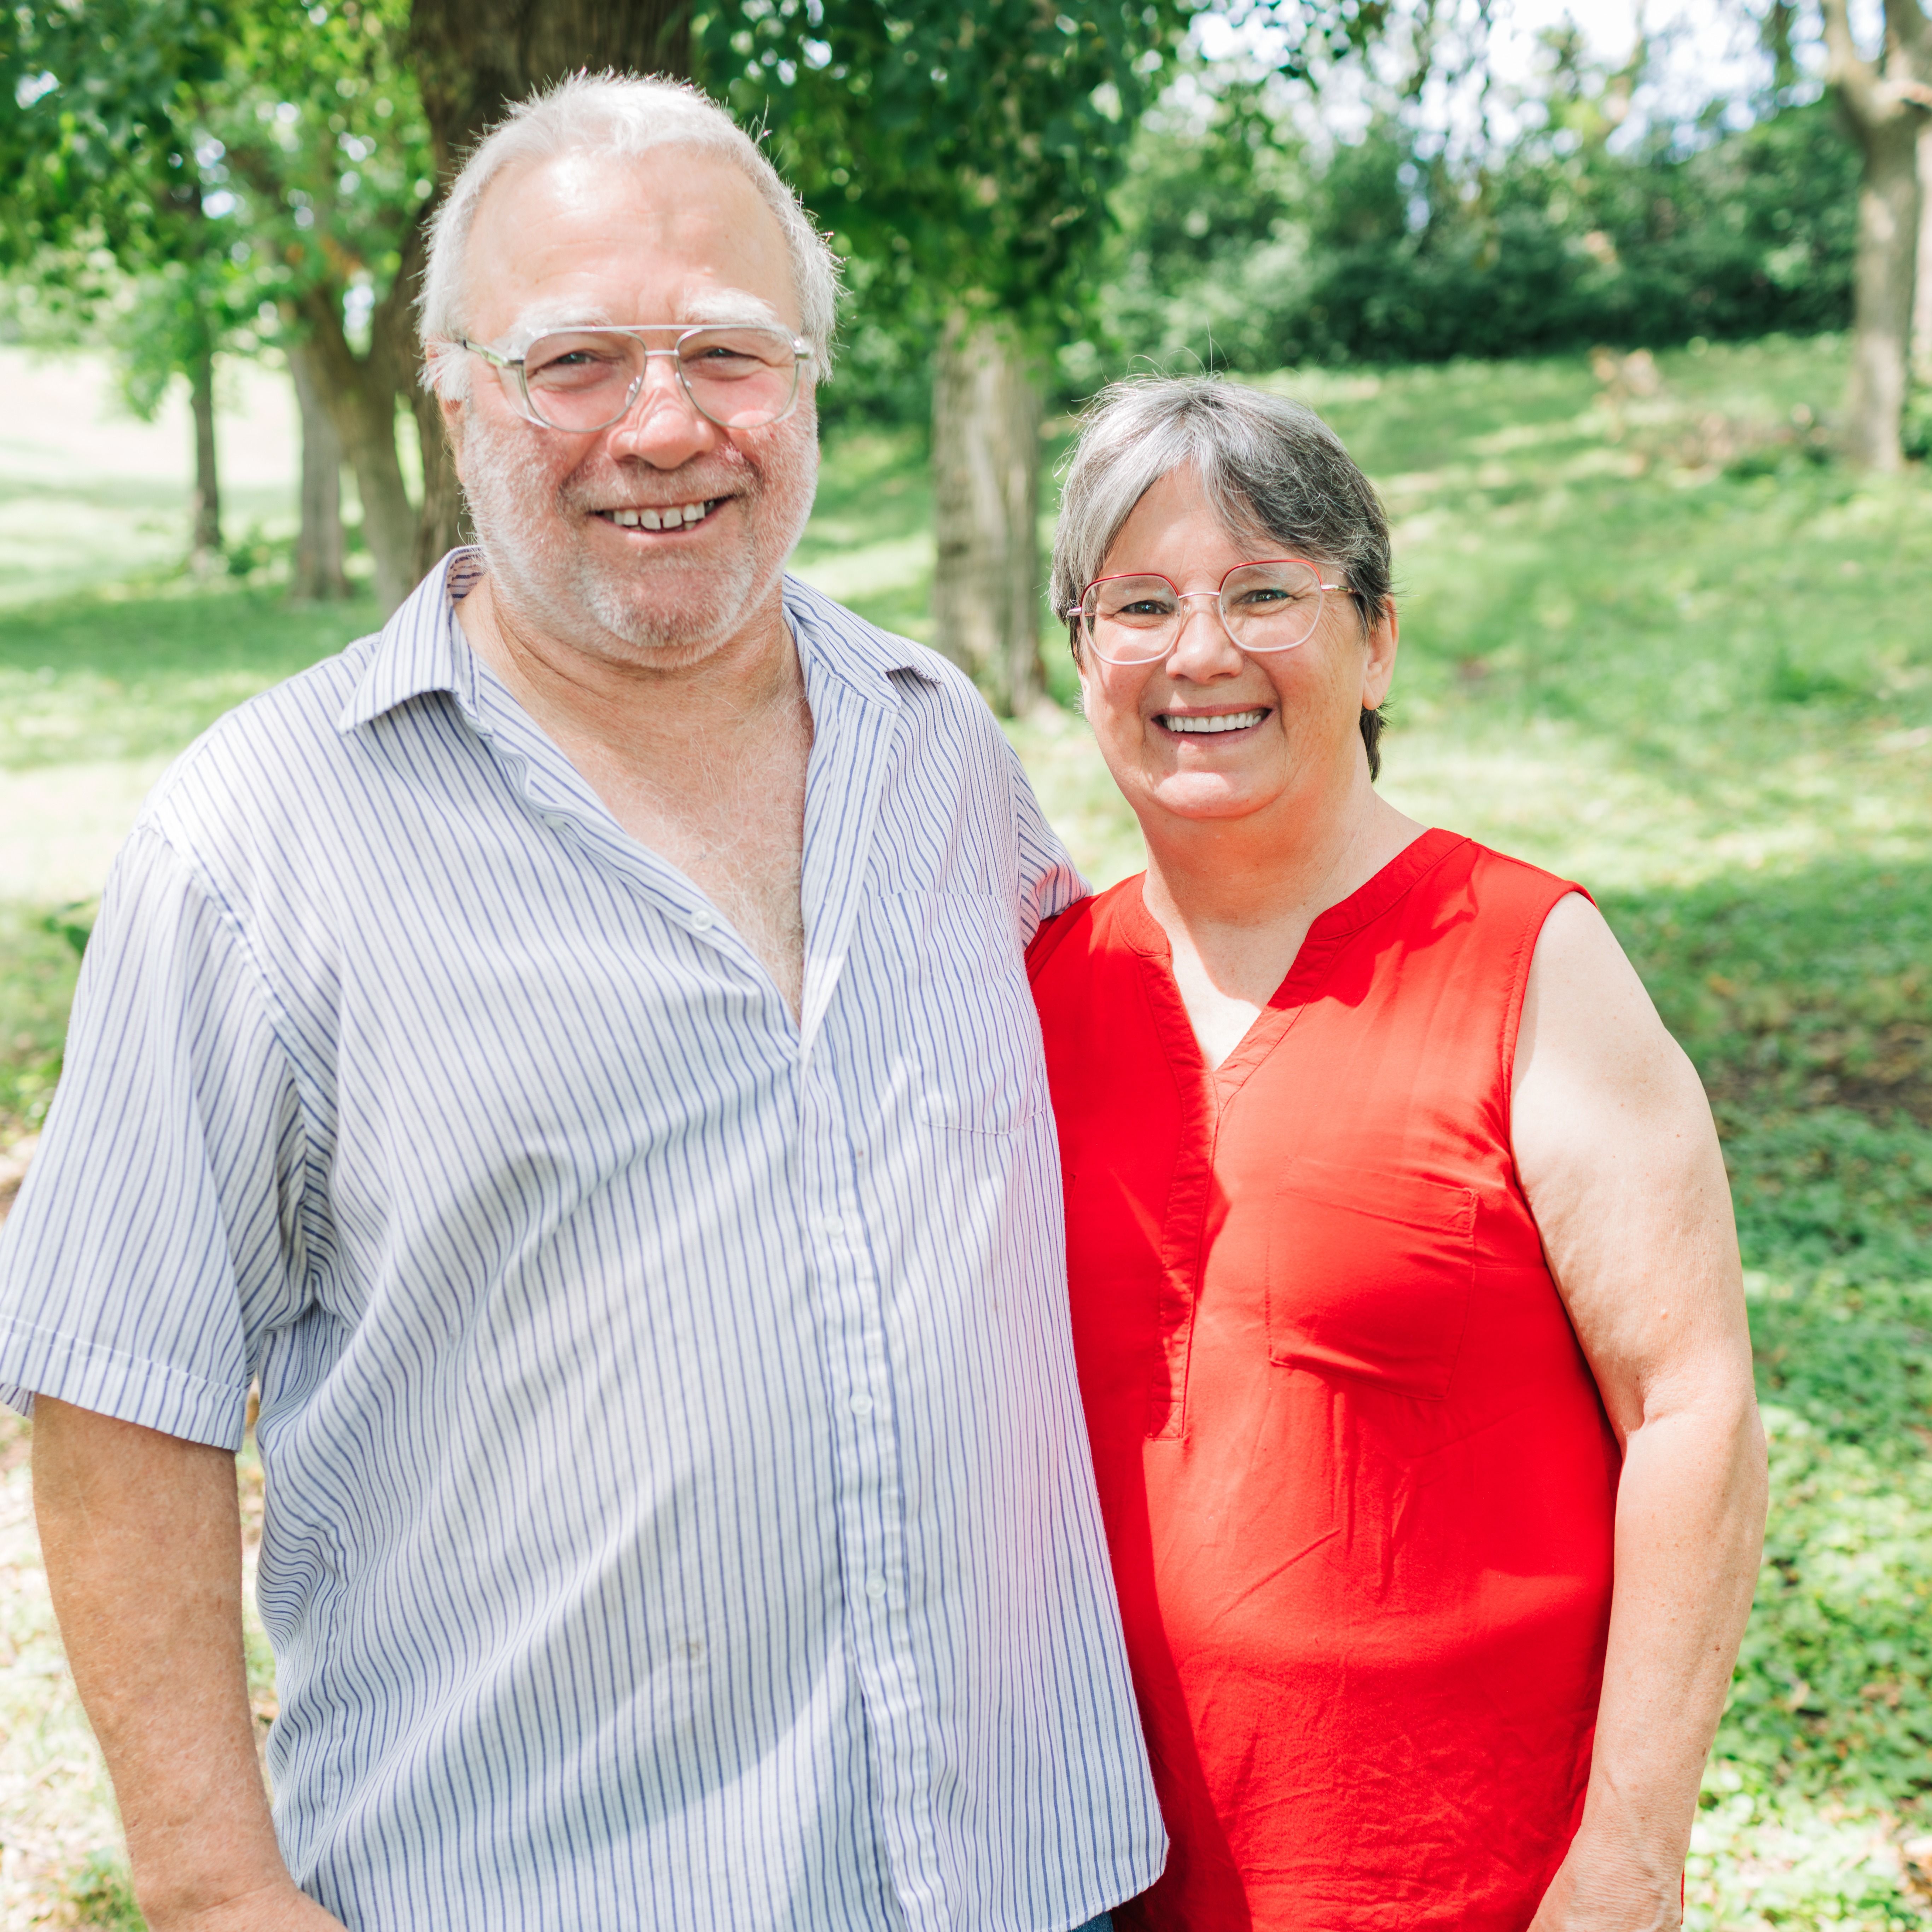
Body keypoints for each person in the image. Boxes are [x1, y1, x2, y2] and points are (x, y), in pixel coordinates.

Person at [1, 77, 1163, 1932]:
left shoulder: (947, 754)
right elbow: (115, 1396)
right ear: (456, 390)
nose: (662, 423)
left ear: (806, 381)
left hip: (1033, 1877)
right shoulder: (256, 844)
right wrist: (222, 1893)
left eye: (727, 351)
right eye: (574, 363)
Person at [1026, 377, 1768, 1932]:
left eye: (1264, 593)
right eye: (1141, 602)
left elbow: (1691, 1407)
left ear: (1375, 639)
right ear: (1084, 655)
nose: (1200, 652)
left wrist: (1629, 1859)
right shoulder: (1035, 987)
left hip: (1467, 1879)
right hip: (1099, 1878)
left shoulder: (1527, 960)